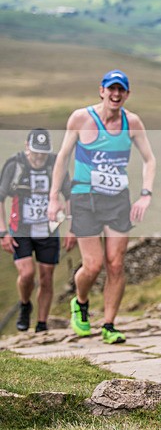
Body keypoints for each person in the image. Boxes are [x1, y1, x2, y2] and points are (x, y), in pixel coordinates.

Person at [48, 69, 156, 344]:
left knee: (116, 264)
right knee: (93, 265)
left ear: (127, 94)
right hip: (84, 198)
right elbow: (62, 158)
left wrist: (145, 194)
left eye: (121, 90)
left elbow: (149, 159)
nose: (116, 94)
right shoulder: (81, 118)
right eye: (111, 89)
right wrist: (54, 197)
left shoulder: (132, 122)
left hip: (117, 199)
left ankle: (109, 325)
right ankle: (81, 301)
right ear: (102, 91)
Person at [0, 129, 75, 333]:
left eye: (43, 152)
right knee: (27, 274)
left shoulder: (56, 165)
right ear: (27, 147)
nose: (40, 156)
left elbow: (70, 196)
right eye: (36, 151)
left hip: (48, 230)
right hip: (21, 228)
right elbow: (1, 198)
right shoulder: (14, 165)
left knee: (46, 277)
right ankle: (25, 304)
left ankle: (42, 324)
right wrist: (3, 232)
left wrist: (72, 228)